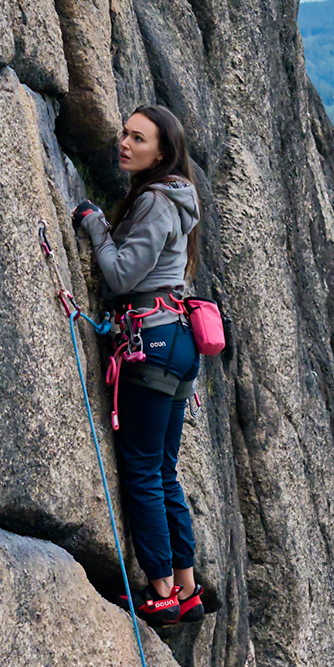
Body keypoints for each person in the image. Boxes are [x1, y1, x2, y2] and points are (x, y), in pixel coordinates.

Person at [71, 104, 207, 626]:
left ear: (162, 152)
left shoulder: (154, 199)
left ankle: (162, 591)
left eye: (138, 138)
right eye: (124, 134)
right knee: (164, 471)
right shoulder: (178, 196)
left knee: (144, 471)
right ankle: (187, 589)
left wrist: (95, 225)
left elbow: (122, 275)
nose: (125, 144)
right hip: (178, 340)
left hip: (151, 343)